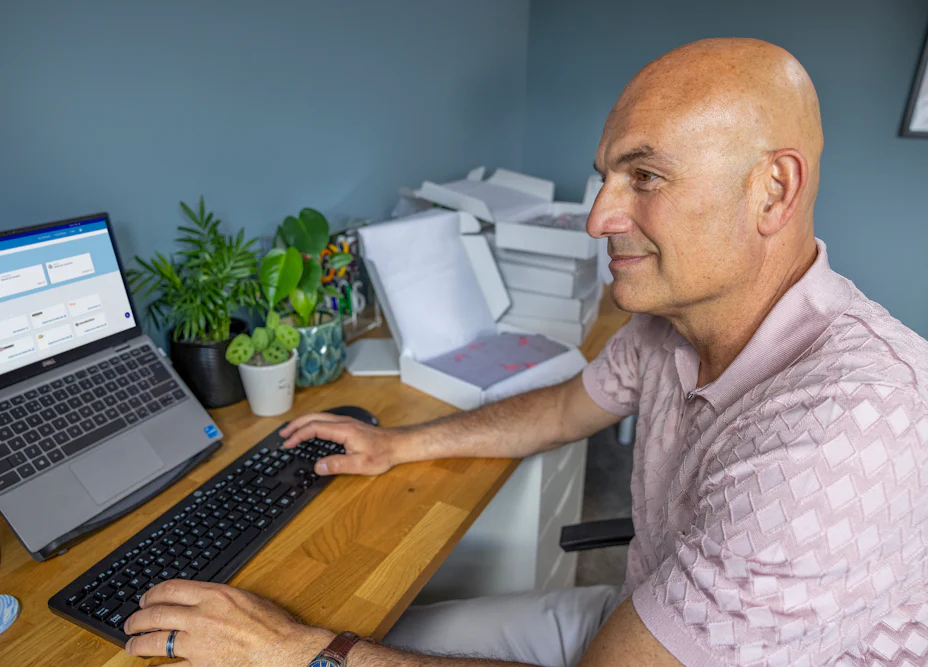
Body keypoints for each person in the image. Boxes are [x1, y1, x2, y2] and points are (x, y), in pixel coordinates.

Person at [122, 37, 928, 666]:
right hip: (644, 610)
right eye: (606, 176)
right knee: (386, 626)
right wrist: (399, 443)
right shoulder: (673, 321)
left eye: (645, 176)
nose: (599, 216)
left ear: (773, 191)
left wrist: (294, 651)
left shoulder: (844, 431)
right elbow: (566, 408)